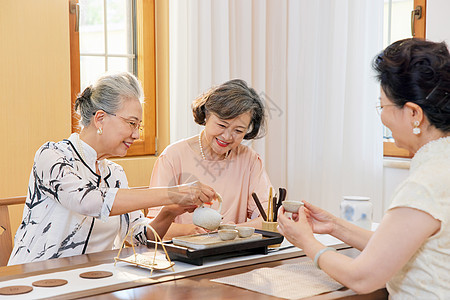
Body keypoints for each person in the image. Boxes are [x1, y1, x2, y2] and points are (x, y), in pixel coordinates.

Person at [277, 38, 450, 298]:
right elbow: (395, 249)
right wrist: (335, 226)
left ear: (414, 114)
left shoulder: (424, 184)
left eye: (383, 105)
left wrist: (306, 242)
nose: (381, 115)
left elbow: (363, 277)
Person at [8, 72, 216, 265]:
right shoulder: (52, 155)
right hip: (36, 279)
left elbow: (139, 237)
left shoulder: (115, 174)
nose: (136, 135)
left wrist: (170, 211)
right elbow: (89, 201)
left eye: (139, 126)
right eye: (131, 123)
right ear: (100, 118)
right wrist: (173, 194)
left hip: (94, 280)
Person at [149, 79, 272, 238]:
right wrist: (191, 232)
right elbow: (151, 227)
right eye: (221, 125)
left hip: (232, 254)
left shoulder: (250, 160)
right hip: (182, 257)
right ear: (206, 115)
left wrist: (230, 231)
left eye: (238, 131)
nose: (227, 137)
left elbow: (269, 217)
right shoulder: (173, 157)